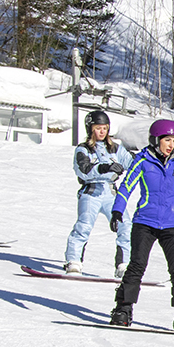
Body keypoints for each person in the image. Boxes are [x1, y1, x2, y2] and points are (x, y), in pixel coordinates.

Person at [108, 119, 174, 331]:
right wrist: (117, 210)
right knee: (137, 265)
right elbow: (126, 187)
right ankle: (123, 309)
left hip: (172, 224)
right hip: (145, 222)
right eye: (167, 140)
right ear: (155, 140)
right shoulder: (143, 160)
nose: (171, 144)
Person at [64, 109, 133, 276]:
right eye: (98, 128)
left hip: (111, 193)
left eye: (105, 128)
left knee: (125, 225)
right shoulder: (84, 149)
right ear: (90, 128)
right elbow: (84, 170)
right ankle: (73, 261)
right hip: (91, 192)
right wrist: (104, 167)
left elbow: (133, 163)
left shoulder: (116, 149)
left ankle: (124, 264)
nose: (102, 132)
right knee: (84, 224)